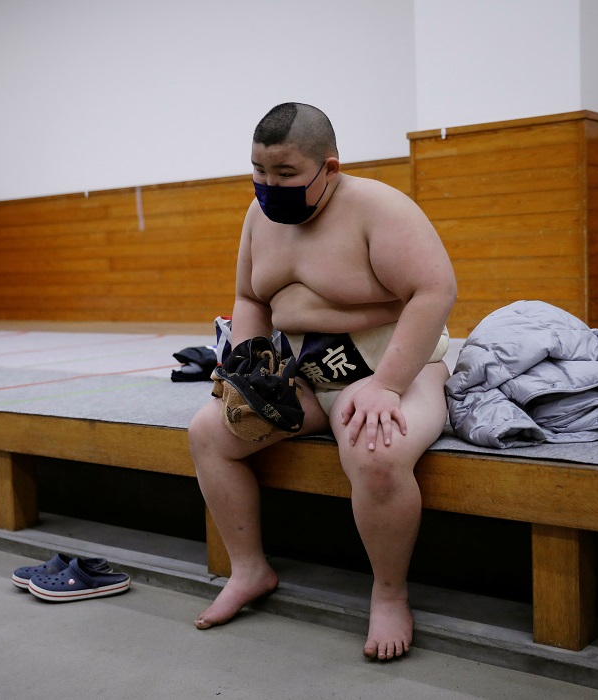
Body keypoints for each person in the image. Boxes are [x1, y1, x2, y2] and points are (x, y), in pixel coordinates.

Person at [189, 102, 457, 660]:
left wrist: (387, 383)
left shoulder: (380, 208)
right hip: (301, 372)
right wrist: (246, 364)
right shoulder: (258, 218)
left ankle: (388, 593)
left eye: (286, 174)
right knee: (210, 432)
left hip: (390, 364)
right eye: (259, 172)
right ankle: (249, 569)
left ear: (328, 169)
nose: (269, 185)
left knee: (376, 452)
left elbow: (434, 292)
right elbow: (249, 297)